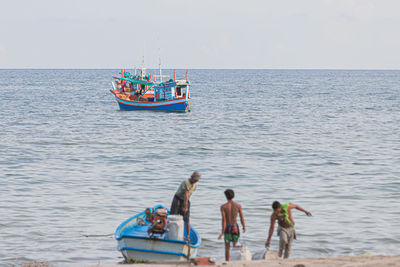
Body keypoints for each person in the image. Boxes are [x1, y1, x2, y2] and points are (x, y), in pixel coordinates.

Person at [170, 171, 201, 240]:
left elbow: (189, 195)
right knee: (172, 216)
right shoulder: (186, 182)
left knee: (187, 219)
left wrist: (186, 205)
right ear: (192, 177)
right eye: (194, 180)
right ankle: (169, 232)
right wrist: (185, 206)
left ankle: (188, 236)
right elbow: (186, 195)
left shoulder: (195, 185)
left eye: (197, 180)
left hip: (186, 200)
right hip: (178, 198)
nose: (195, 181)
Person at [218, 189, 246, 261]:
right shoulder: (238, 206)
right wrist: (243, 226)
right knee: (235, 246)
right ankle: (235, 261)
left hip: (227, 227)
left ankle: (227, 262)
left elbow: (224, 220)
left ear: (226, 196)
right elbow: (242, 217)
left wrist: (222, 232)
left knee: (227, 247)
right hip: (235, 227)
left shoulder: (223, 207)